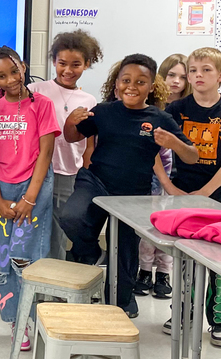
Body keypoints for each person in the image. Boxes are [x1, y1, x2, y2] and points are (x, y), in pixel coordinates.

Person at [59, 54, 198, 317]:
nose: (131, 86)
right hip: (95, 182)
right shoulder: (103, 111)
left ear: (151, 86)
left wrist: (174, 143)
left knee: (125, 252)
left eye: (140, 81)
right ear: (117, 83)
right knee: (72, 218)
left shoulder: (160, 118)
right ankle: (93, 255)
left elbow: (192, 154)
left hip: (133, 192)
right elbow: (71, 136)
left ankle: (122, 299)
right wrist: (70, 122)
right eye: (126, 80)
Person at [159, 47, 221, 348]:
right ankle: (183, 313)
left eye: (206, 70)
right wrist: (170, 188)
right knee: (185, 257)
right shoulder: (175, 110)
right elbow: (155, 153)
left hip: (220, 195)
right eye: (193, 70)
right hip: (182, 194)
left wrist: (206, 193)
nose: (198, 75)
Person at [0, 46, 58, 351]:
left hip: (35, 188)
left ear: (23, 67)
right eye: (1, 76)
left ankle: (36, 315)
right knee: (6, 257)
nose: (10, 79)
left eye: (14, 71)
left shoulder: (42, 104)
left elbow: (46, 152)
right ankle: (17, 319)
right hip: (4, 189)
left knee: (28, 256)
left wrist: (30, 197)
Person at [29, 30, 102, 261]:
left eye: (76, 64)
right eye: (62, 63)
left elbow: (89, 144)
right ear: (53, 62)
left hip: (68, 172)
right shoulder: (36, 91)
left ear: (87, 64)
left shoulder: (89, 101)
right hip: (36, 170)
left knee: (58, 232)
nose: (68, 70)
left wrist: (86, 171)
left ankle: (54, 284)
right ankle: (31, 279)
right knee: (34, 227)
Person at [135, 53, 189, 299]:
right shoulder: (153, 108)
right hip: (156, 175)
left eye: (183, 77)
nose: (177, 81)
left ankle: (164, 274)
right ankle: (144, 271)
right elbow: (153, 150)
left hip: (182, 177)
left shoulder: (188, 109)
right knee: (150, 223)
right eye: (171, 75)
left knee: (170, 226)